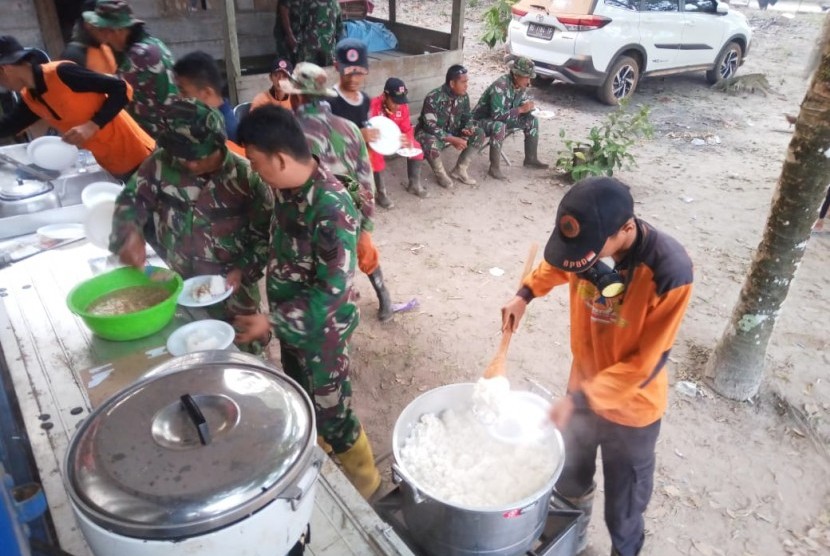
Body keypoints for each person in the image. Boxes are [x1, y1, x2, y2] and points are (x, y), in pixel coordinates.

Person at [501, 177, 693, 556]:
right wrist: (524, 294)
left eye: (589, 254)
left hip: (631, 412)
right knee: (569, 483)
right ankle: (572, 541)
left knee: (624, 512)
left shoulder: (670, 271)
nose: (583, 262)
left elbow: (646, 364)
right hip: (581, 392)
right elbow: (557, 265)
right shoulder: (585, 247)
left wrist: (580, 400)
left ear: (625, 229)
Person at [233, 105, 381, 499]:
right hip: (293, 327)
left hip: (323, 335)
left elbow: (332, 295)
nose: (254, 170)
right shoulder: (287, 190)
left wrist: (271, 323)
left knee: (335, 413)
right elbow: (274, 242)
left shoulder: (330, 207)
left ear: (280, 159)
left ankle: (369, 488)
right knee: (302, 394)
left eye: (255, 162)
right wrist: (243, 270)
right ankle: (324, 450)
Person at [110, 98, 274, 354]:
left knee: (245, 352)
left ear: (219, 143)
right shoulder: (161, 163)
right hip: (176, 283)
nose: (188, 164)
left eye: (197, 157)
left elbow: (266, 236)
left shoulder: (247, 177)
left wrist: (244, 269)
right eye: (181, 156)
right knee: (185, 349)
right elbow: (131, 200)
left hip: (232, 289)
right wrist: (129, 234)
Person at [285, 62, 394, 322]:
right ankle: (381, 296)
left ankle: (322, 316)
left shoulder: (288, 133)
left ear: (297, 96)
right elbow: (366, 182)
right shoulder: (350, 128)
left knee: (315, 268)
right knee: (358, 255)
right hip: (348, 214)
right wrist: (366, 225)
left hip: (304, 220)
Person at [0, 35, 154, 180]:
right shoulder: (30, 98)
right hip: (112, 164)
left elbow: (121, 88)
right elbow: (9, 125)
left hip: (140, 156)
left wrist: (91, 126)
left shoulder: (61, 73)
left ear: (4, 69)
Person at [84, 0, 178, 136]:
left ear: (118, 30)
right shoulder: (153, 43)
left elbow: (116, 90)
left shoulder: (139, 56)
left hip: (161, 138)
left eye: (105, 32)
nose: (105, 40)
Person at [329, 38, 392, 208]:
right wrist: (358, 134)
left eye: (358, 72)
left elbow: (366, 139)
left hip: (361, 171)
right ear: (337, 67)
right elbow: (321, 144)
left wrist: (378, 140)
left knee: (363, 217)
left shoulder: (364, 100)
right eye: (347, 72)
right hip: (335, 176)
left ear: (366, 71)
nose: (353, 78)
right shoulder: (327, 101)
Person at [473, 56, 548, 180]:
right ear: (515, 74)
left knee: (532, 119)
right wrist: (521, 110)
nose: (529, 82)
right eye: (526, 77)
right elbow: (496, 116)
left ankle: (531, 159)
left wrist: (530, 109)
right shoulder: (501, 86)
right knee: (499, 126)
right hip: (480, 121)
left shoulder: (520, 86)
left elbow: (521, 103)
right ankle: (494, 168)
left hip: (503, 118)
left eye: (530, 77)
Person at [415, 64, 485, 190]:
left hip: (453, 131)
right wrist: (451, 139)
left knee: (479, 132)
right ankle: (441, 174)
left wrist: (467, 128)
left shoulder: (464, 96)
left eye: (467, 82)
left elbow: (467, 117)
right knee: (427, 140)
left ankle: (460, 169)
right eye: (463, 82)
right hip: (432, 134)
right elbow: (429, 126)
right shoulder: (433, 97)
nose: (466, 85)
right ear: (452, 83)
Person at [369, 77, 426, 198]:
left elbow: (406, 128)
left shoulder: (403, 106)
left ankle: (414, 184)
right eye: (394, 102)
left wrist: (408, 140)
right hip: (376, 142)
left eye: (400, 102)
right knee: (375, 155)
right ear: (385, 96)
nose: (398, 106)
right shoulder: (372, 105)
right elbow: (367, 130)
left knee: (416, 148)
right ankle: (381, 193)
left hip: (395, 140)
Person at [172, 50, 239, 142]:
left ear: (207, 93)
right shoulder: (203, 122)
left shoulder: (225, 134)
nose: (179, 97)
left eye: (184, 92)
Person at [60, 0, 117, 75]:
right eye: (102, 26)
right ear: (88, 24)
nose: (109, 31)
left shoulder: (104, 47)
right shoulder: (73, 55)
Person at [297, 0, 342, 67]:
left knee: (325, 73)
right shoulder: (308, 3)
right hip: (314, 49)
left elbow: (301, 23)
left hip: (324, 49)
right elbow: (339, 28)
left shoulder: (335, 4)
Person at [272, 0, 303, 64]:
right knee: (285, 63)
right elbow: (284, 12)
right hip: (285, 35)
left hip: (298, 34)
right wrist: (290, 36)